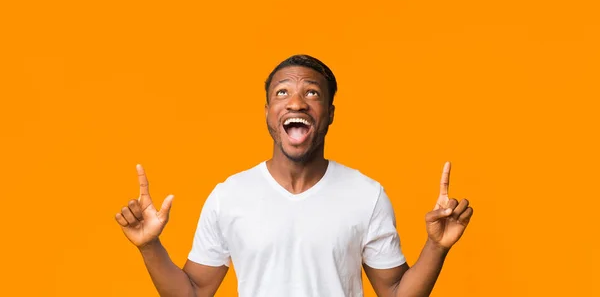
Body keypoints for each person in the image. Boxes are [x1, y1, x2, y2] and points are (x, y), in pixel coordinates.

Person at [115, 54, 473, 297]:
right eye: (282, 92)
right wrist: (149, 246)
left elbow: (395, 292)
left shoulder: (366, 195)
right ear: (269, 112)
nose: (296, 102)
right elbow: (193, 291)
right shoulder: (230, 196)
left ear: (329, 113)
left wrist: (436, 247)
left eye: (311, 93)